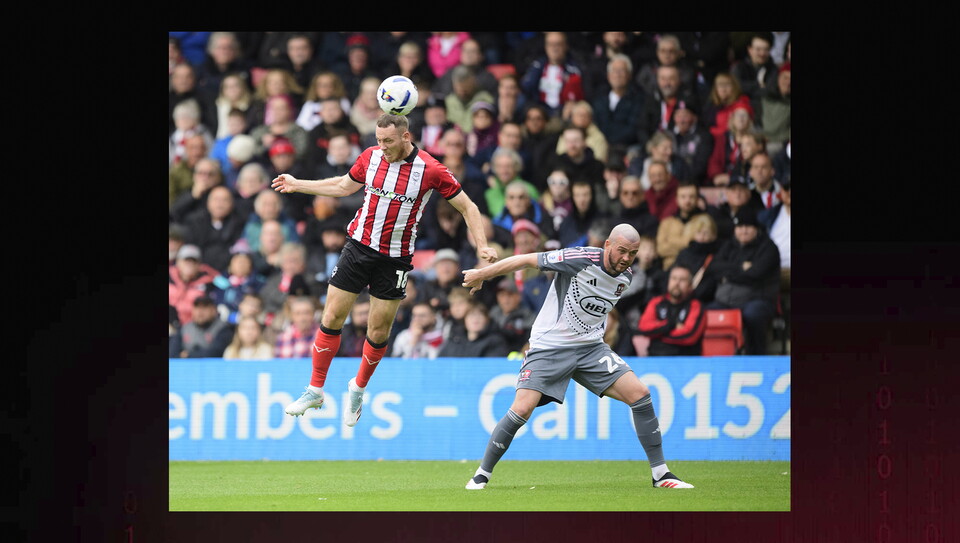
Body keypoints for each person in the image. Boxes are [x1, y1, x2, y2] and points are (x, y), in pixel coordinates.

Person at [270, 113, 498, 427]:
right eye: (378, 140)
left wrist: (482, 246)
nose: (382, 147)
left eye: (388, 141)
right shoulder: (371, 158)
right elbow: (342, 186)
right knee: (331, 316)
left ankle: (358, 387)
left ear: (406, 137)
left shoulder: (430, 170)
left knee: (378, 331)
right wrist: (299, 185)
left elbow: (468, 207)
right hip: (358, 247)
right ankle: (315, 389)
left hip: (395, 259)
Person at [461, 223, 693, 490]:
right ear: (607, 244)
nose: (626, 258)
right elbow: (526, 259)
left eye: (633, 253)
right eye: (622, 251)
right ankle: (482, 474)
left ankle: (660, 474)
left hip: (591, 349)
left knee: (640, 394)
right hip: (549, 347)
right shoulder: (579, 258)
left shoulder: (625, 277)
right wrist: (482, 273)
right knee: (522, 408)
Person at [708, 207, 780, 355]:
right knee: (707, 313)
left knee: (752, 314)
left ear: (756, 229)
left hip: (758, 298)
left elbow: (755, 274)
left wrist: (728, 273)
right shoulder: (729, 245)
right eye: (740, 227)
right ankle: (714, 356)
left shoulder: (768, 247)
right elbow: (714, 267)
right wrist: (741, 267)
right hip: (726, 300)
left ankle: (757, 356)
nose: (744, 231)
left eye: (748, 227)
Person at [637, 264, 707, 356]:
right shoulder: (656, 302)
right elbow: (644, 329)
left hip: (686, 361)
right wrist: (672, 325)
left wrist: (658, 334)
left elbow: (689, 336)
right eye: (674, 278)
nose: (677, 283)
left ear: (690, 286)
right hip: (655, 359)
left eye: (682, 280)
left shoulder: (696, 306)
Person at [519, 32, 586, 120]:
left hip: (564, 113)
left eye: (558, 44)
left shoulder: (575, 69)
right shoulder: (537, 66)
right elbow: (526, 88)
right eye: (550, 44)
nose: (554, 48)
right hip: (540, 112)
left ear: (566, 46)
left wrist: (573, 103)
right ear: (545, 47)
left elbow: (582, 93)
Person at [591, 53, 646, 160]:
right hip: (601, 145)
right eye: (614, 71)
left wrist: (611, 141)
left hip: (627, 147)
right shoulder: (599, 98)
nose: (618, 75)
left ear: (629, 75)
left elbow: (634, 128)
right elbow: (596, 124)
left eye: (622, 71)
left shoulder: (638, 99)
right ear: (608, 75)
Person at [182, 185, 246, 274]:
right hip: (198, 270)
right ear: (208, 202)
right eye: (216, 199)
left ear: (232, 204)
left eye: (225, 200)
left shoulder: (238, 224)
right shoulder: (195, 222)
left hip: (227, 272)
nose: (220, 204)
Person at [637, 64, 699, 151]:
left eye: (671, 79)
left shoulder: (689, 102)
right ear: (657, 80)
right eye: (663, 79)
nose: (667, 83)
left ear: (679, 80)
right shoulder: (650, 100)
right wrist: (650, 146)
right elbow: (642, 128)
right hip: (653, 148)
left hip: (678, 148)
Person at [656, 180, 708, 269]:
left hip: (694, 269)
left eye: (691, 196)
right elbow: (661, 249)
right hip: (669, 271)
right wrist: (689, 242)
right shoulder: (666, 222)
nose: (687, 201)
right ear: (676, 199)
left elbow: (702, 250)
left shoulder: (705, 221)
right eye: (683, 197)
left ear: (697, 199)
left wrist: (671, 241)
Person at [168, 244, 222, 327]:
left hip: (197, 326)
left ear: (199, 265)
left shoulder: (208, 282)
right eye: (186, 260)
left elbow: (225, 284)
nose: (190, 264)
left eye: (194, 261)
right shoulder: (170, 276)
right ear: (178, 262)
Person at [674, 213, 722, 304]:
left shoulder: (716, 255)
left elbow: (711, 284)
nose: (702, 236)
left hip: (703, 300)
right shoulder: (684, 253)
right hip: (681, 296)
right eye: (699, 232)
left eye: (706, 233)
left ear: (713, 235)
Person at [635, 34, 697, 99]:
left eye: (671, 51)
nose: (667, 55)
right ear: (657, 52)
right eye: (663, 51)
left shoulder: (686, 71)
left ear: (678, 53)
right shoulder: (647, 69)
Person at [547, 126, 605, 195]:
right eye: (568, 141)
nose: (572, 145)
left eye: (576, 141)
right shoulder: (556, 164)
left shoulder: (597, 166)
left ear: (584, 142)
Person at [432, 38, 497, 98]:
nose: (469, 54)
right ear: (460, 54)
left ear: (480, 56)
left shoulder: (488, 78)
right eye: (465, 51)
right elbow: (436, 92)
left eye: (473, 51)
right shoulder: (449, 74)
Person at [438, 302, 509, 357]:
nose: (475, 319)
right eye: (471, 315)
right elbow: (441, 363)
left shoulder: (495, 341)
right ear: (465, 320)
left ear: (487, 320)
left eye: (480, 315)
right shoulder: (455, 340)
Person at [730, 34, 779, 115]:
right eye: (758, 49)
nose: (762, 53)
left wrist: (747, 87)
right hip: (740, 112)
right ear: (750, 50)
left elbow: (770, 91)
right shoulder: (739, 67)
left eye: (766, 49)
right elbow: (736, 88)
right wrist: (759, 85)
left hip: (766, 113)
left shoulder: (774, 70)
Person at [701, 72, 754, 142]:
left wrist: (711, 131)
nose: (723, 89)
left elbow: (735, 129)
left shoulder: (742, 103)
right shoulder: (712, 106)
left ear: (735, 87)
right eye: (720, 85)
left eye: (727, 85)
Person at [758, 179, 790, 293]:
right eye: (787, 188)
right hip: (773, 270)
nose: (790, 192)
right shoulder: (767, 217)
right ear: (781, 191)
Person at [488, 278, 536, 354]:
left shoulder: (527, 315)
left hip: (519, 359)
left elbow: (532, 339)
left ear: (518, 297)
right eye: (502, 295)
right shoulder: (493, 314)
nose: (506, 299)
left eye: (510, 295)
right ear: (497, 297)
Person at [671, 101, 713, 185]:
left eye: (685, 116)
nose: (682, 121)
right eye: (678, 116)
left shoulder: (704, 137)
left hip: (694, 182)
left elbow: (700, 166)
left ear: (694, 117)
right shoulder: (668, 136)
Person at [444, 65, 496, 133]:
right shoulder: (449, 101)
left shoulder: (485, 99)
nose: (462, 92)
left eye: (465, 89)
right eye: (459, 89)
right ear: (454, 85)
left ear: (473, 82)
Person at [555, 100, 609, 164]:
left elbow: (599, 160)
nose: (582, 118)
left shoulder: (598, 137)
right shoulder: (566, 133)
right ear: (572, 117)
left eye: (585, 115)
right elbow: (560, 154)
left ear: (591, 118)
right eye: (579, 115)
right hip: (567, 167)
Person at [557, 180, 606, 248]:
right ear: (572, 197)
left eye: (585, 195)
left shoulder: (603, 220)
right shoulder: (566, 223)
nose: (582, 200)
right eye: (577, 195)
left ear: (592, 196)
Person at [169, 134, 210, 208]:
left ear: (206, 150)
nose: (197, 152)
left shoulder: (213, 170)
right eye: (193, 148)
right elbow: (171, 201)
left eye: (201, 148)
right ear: (186, 149)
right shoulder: (176, 172)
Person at [757, 64, 791, 155]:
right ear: (778, 78)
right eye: (785, 77)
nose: (788, 82)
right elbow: (756, 120)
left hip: (781, 143)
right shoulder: (765, 98)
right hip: (761, 139)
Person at [337, 292, 372, 357]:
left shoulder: (380, 333)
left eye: (367, 313)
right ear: (352, 315)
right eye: (360, 314)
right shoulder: (342, 333)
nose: (364, 317)